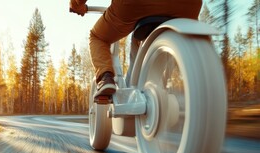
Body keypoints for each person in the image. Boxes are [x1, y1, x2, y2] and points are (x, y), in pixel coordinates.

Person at [70, 0, 203, 96]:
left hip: (134, 4)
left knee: (98, 37)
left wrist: (77, 4)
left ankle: (106, 77)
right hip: (188, 5)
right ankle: (161, 85)